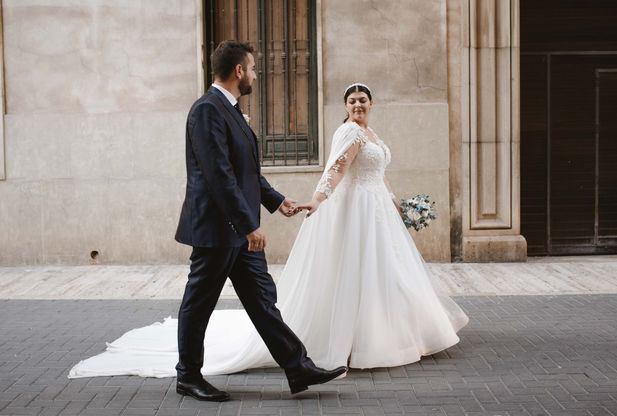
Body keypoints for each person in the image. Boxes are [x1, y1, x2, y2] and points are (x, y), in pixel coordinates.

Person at [68, 81, 467, 387]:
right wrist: (306, 203)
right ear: (240, 71)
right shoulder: (210, 111)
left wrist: (279, 202)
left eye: (364, 100)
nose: (359, 105)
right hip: (220, 229)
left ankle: (299, 369)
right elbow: (232, 176)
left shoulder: (236, 113)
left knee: (263, 300)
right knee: (201, 300)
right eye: (353, 100)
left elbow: (248, 174)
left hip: (367, 210)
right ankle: (190, 373)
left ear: (372, 104)